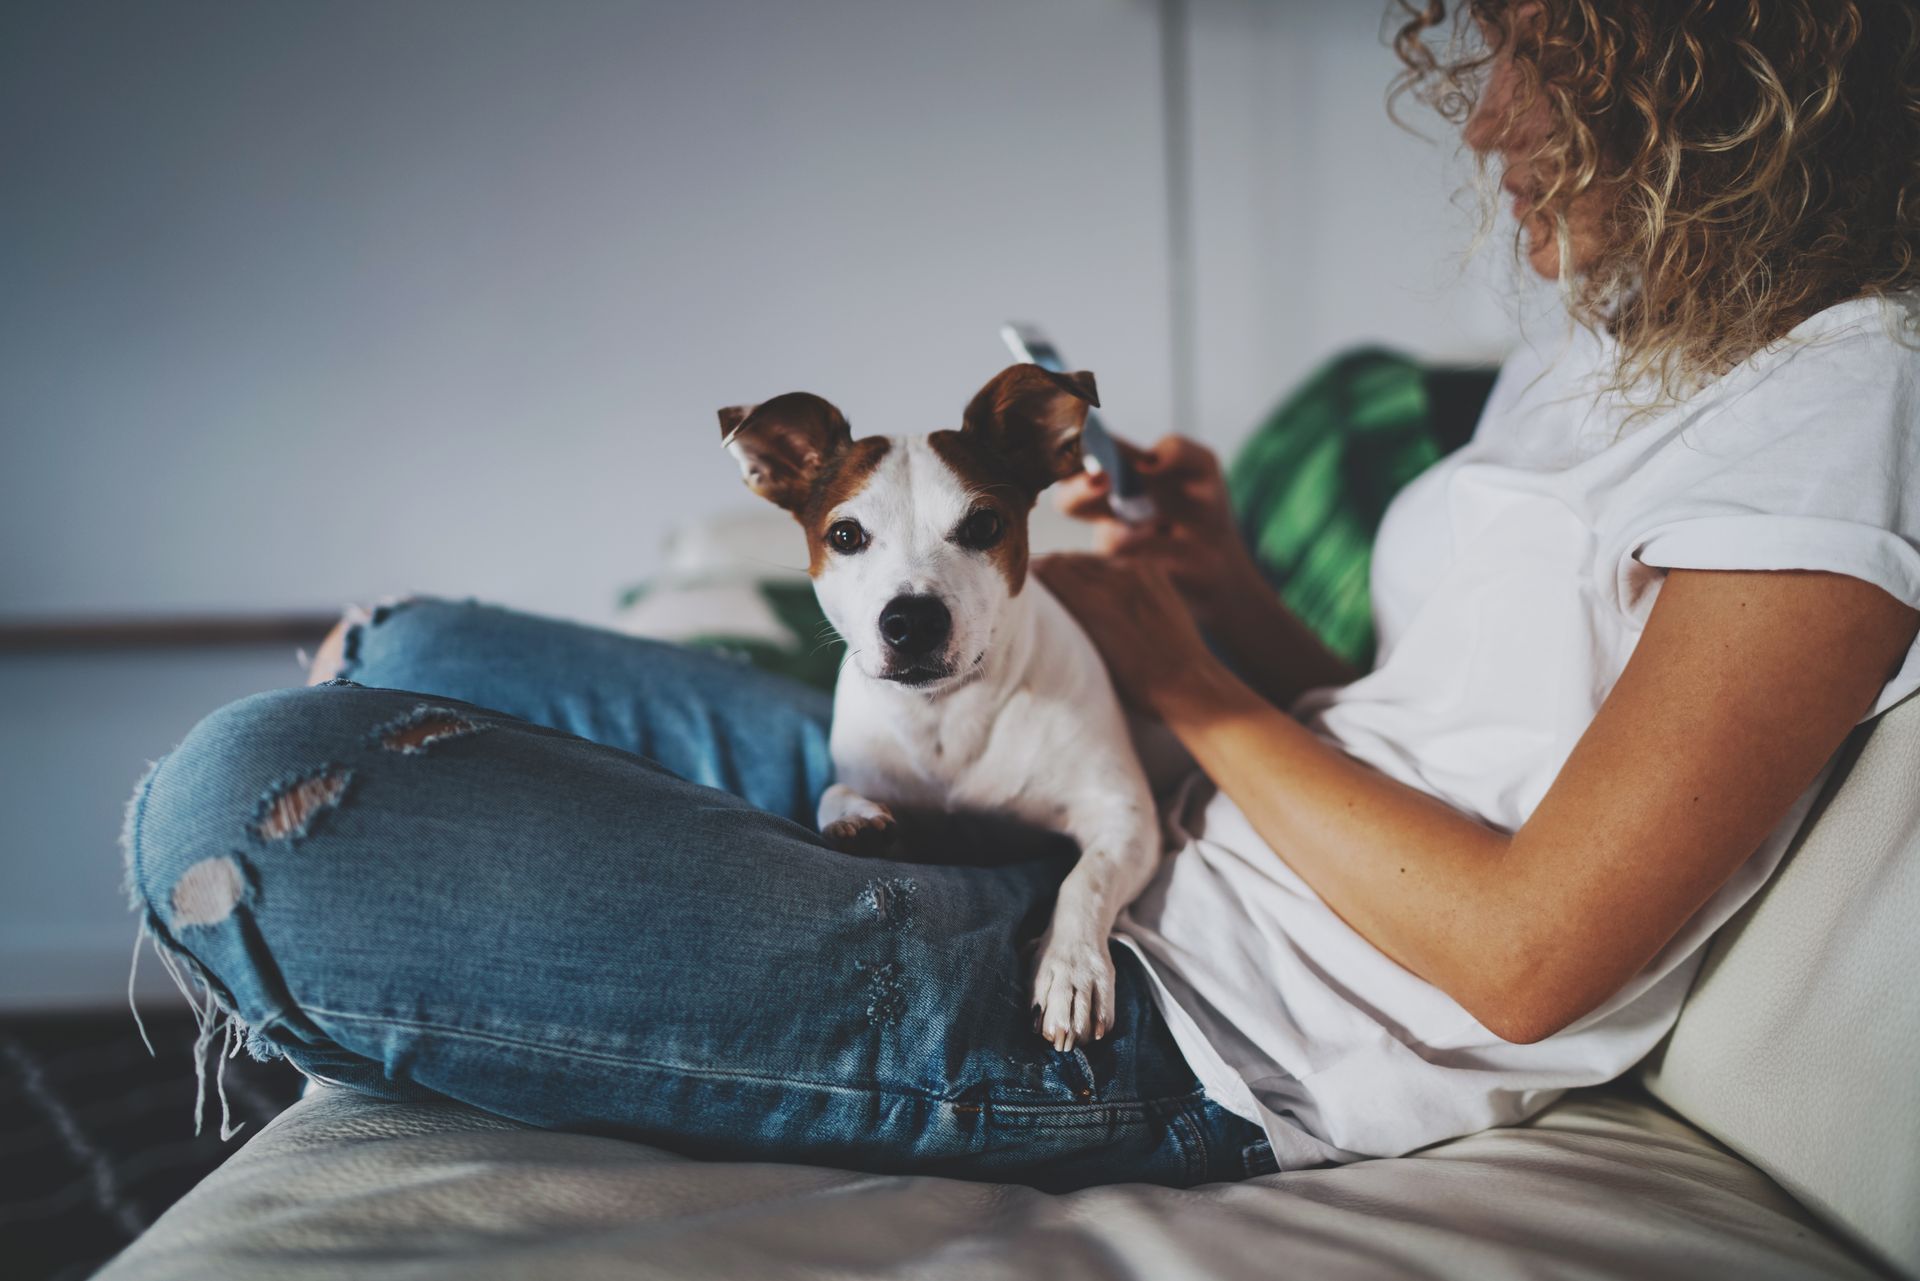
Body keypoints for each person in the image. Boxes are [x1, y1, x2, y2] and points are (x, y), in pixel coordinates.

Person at [124, 0, 1920, 1189]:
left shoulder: (1854, 397)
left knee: (256, 801)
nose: (1494, 118)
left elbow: (1536, 954)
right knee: (423, 644)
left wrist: (1191, 683)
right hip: (1178, 814)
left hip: (1205, 1015)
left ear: (1733, 72)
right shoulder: (1617, 347)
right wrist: (1223, 600)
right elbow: (1442, 714)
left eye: (1550, 51)